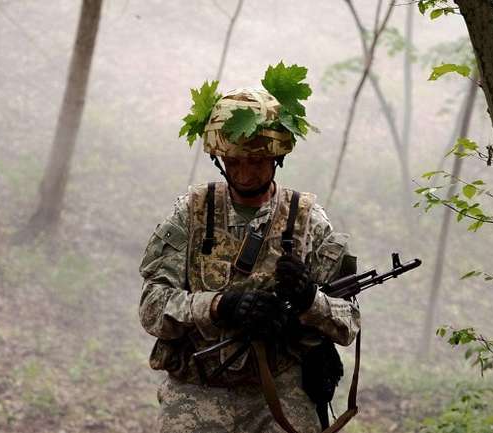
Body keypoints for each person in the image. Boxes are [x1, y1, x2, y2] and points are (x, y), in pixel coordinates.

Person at [138, 87, 360, 433]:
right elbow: (152, 307)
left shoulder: (307, 221)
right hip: (199, 388)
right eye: (234, 162)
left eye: (255, 162)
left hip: (280, 389)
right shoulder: (192, 214)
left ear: (276, 158)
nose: (244, 174)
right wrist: (218, 307)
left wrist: (308, 301)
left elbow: (349, 322)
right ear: (220, 160)